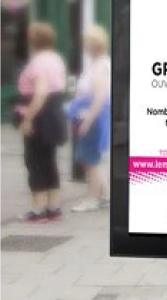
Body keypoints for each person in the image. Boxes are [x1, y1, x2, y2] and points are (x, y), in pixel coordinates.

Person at [17, 22, 68, 223]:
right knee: (50, 161)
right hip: (54, 113)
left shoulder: (38, 63)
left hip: (40, 115)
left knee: (35, 162)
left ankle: (38, 210)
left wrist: (28, 118)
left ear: (34, 40)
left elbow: (40, 93)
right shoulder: (56, 60)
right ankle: (53, 208)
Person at [68, 26, 111, 213]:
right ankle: (104, 195)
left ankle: (93, 198)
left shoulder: (100, 66)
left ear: (92, 45)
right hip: (91, 115)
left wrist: (88, 120)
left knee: (89, 159)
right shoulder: (100, 64)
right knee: (92, 158)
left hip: (92, 117)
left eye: (86, 43)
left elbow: (100, 96)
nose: (84, 46)